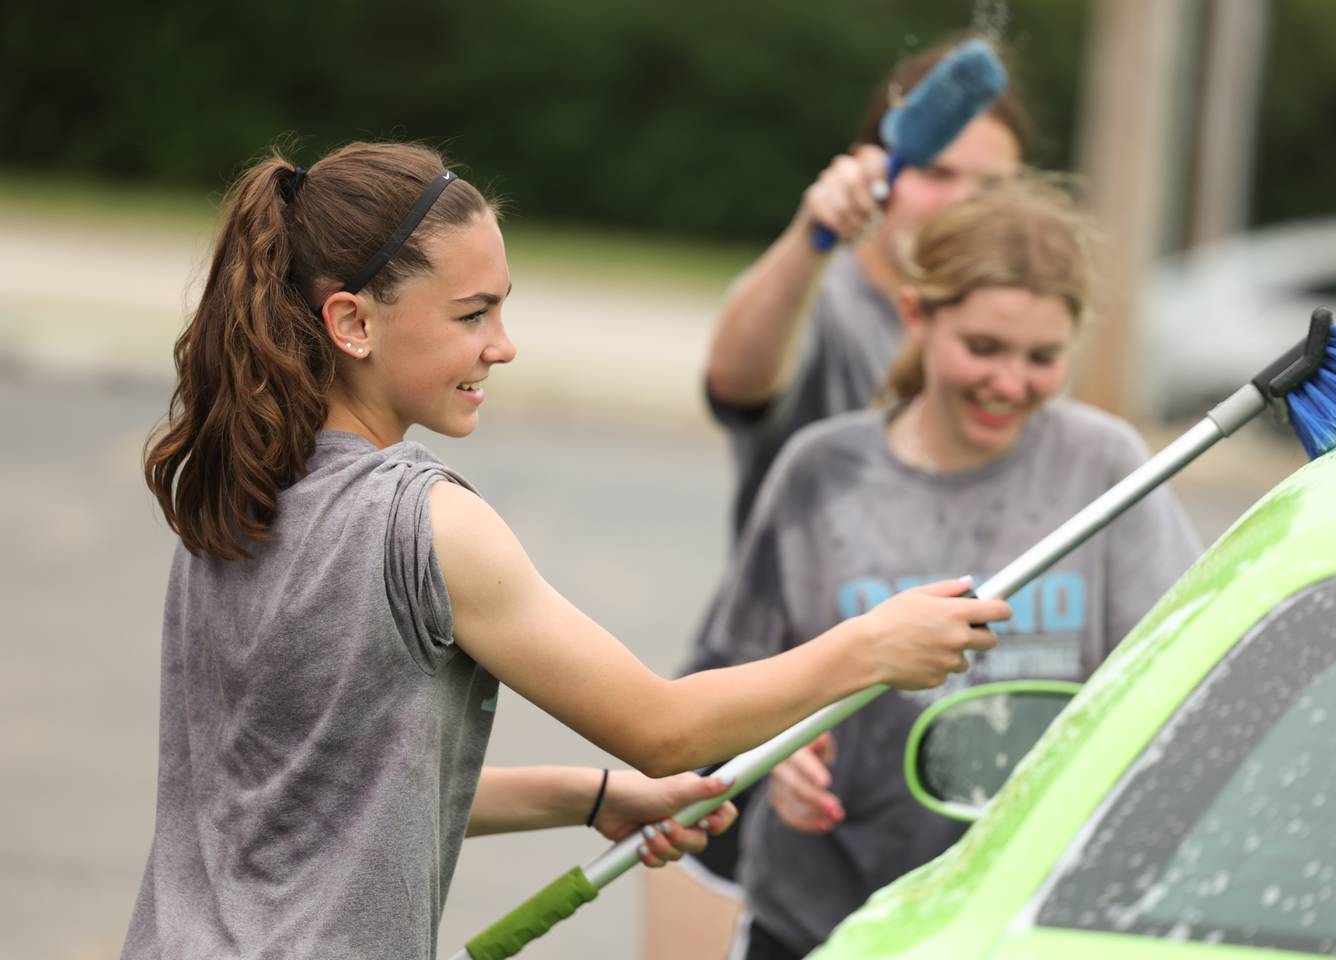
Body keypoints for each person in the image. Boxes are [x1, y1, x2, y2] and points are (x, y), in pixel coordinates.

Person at [122, 141, 1011, 960]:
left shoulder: (235, 487)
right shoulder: (425, 521)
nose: (502, 346)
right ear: (351, 322)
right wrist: (872, 648)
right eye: (473, 314)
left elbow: (326, 790)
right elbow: (665, 731)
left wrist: (590, 799)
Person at [690, 173, 1204, 959]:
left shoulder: (1104, 466)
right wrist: (778, 756)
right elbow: (728, 686)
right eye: (983, 347)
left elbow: (1182, 678)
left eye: (1042, 357)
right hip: (821, 924)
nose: (1009, 382)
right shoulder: (821, 470)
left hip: (1025, 924)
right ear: (916, 317)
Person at [703, 36, 1030, 539]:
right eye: (936, 171)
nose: (962, 203)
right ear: (870, 166)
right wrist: (808, 238)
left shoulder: (1024, 332)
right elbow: (734, 382)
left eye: (992, 186)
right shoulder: (819, 296)